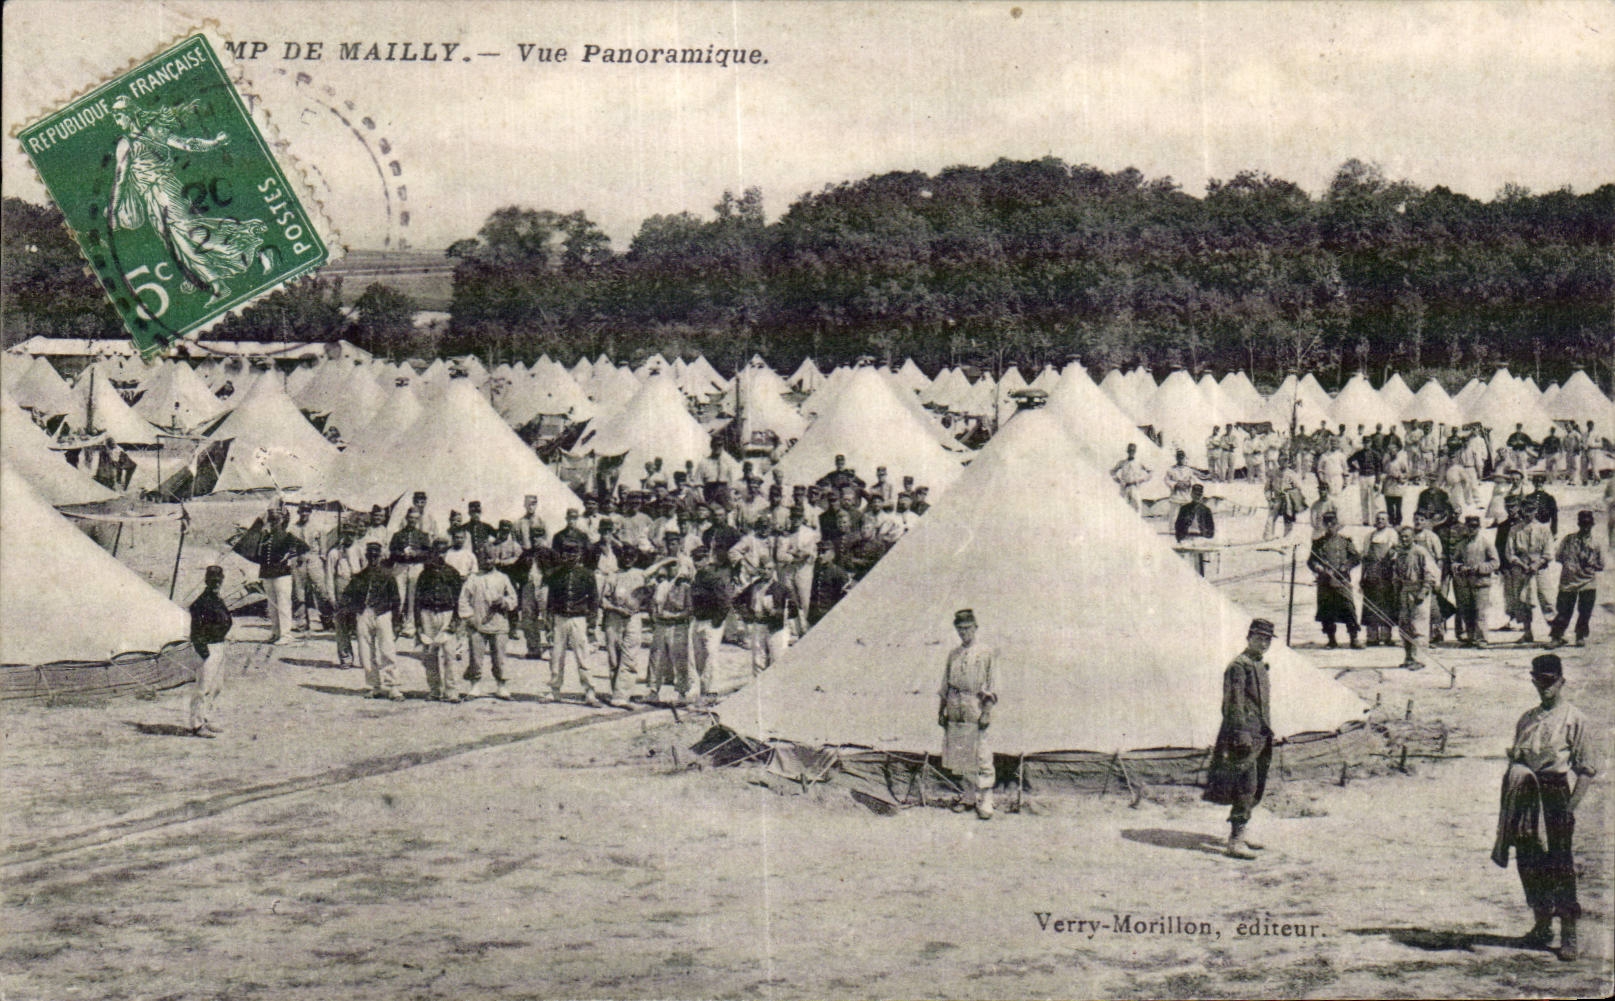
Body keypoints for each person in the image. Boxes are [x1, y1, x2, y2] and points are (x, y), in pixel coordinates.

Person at [1492, 654, 1597, 961]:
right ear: (1533, 681)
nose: (1545, 688)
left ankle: (1568, 932)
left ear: (1562, 682)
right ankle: (1541, 925)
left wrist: (1570, 808)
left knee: (1560, 863)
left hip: (1555, 795)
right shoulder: (1527, 718)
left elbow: (1586, 770)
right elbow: (1517, 758)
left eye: (1551, 681)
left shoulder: (1574, 719)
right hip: (1527, 795)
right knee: (1528, 859)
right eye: (1539, 681)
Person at [1203, 618, 1276, 859]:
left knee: (1255, 785)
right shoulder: (1238, 666)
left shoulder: (1259, 665)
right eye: (1259, 638)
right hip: (1242, 736)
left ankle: (1242, 833)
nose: (1263, 643)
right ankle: (1235, 840)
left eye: (1267, 639)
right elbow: (1232, 703)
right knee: (1245, 785)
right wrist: (1241, 733)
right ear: (1248, 637)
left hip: (1260, 735)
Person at [937, 609, 996, 820]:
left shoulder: (986, 653)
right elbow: (945, 684)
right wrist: (941, 710)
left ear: (975, 628)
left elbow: (991, 685)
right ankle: (969, 796)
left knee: (980, 753)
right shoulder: (953, 654)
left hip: (975, 705)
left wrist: (986, 712)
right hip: (955, 706)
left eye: (968, 628)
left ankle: (987, 799)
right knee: (961, 754)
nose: (964, 632)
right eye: (960, 629)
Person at [545, 539, 601, 705]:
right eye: (567, 553)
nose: (571, 556)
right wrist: (549, 624)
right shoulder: (555, 574)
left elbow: (594, 601)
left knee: (583, 656)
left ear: (580, 555)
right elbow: (550, 601)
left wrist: (591, 625)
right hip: (560, 619)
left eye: (574, 553)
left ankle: (590, 691)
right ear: (562, 555)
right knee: (556, 656)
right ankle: (554, 690)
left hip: (579, 619)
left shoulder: (587, 574)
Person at [343, 542, 402, 700]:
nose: (373, 558)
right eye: (371, 555)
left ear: (381, 556)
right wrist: (356, 610)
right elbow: (348, 595)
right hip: (364, 614)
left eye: (376, 555)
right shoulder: (359, 576)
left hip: (383, 614)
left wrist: (396, 622)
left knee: (387, 650)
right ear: (366, 557)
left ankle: (393, 686)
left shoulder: (388, 576)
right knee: (366, 651)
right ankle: (373, 686)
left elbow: (396, 600)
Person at [459, 545, 518, 700]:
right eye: (484, 558)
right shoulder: (473, 578)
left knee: (499, 658)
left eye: (490, 558)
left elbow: (513, 599)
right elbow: (463, 600)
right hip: (477, 624)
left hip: (499, 624)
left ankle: (501, 686)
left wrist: (504, 602)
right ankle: (475, 686)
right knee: (476, 657)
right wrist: (469, 617)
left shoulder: (503, 578)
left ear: (496, 559)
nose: (487, 561)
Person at [415, 538, 465, 703]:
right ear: (432, 552)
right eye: (437, 552)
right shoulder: (424, 573)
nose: (440, 555)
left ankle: (452, 691)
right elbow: (417, 599)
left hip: (447, 613)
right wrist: (419, 624)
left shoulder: (452, 572)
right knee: (430, 654)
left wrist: (455, 622)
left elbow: (459, 600)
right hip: (427, 614)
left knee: (450, 654)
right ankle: (435, 690)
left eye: (443, 552)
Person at [187, 565, 233, 737]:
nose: (217, 583)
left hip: (219, 645)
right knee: (203, 687)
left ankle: (207, 716)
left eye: (219, 579)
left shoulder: (216, 598)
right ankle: (197, 724)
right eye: (213, 580)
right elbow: (196, 632)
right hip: (208, 648)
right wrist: (204, 653)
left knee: (216, 686)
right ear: (207, 581)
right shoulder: (202, 602)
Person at [1547, 510, 1604, 648]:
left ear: (1592, 525)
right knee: (1563, 611)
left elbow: (1601, 565)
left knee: (1585, 612)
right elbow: (1558, 557)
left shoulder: (1596, 543)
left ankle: (1580, 636)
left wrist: (1591, 564)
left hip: (1588, 582)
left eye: (1588, 525)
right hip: (1568, 581)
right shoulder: (1568, 540)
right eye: (1583, 524)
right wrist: (1571, 565)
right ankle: (1557, 637)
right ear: (1578, 524)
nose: (1585, 527)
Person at [599, 549, 649, 706]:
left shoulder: (641, 575)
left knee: (630, 656)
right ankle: (616, 693)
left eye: (631, 557)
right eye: (625, 556)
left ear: (636, 558)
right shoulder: (613, 576)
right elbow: (603, 601)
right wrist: (617, 609)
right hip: (614, 619)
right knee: (614, 657)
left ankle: (623, 695)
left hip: (633, 619)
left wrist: (642, 606)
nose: (628, 559)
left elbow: (648, 596)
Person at [253, 507, 309, 645]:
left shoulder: (287, 536)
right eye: (271, 520)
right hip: (267, 574)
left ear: (283, 520)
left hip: (282, 574)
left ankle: (286, 634)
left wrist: (291, 557)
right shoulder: (265, 536)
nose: (273, 523)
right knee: (272, 605)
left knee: (283, 604)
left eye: (276, 520)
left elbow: (304, 547)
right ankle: (276, 633)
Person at [644, 555, 695, 704]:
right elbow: (646, 577)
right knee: (656, 658)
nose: (672, 569)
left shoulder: (685, 586)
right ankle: (653, 691)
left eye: (675, 566)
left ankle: (682, 693)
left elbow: (689, 609)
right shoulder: (661, 585)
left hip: (677, 626)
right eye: (669, 566)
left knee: (679, 658)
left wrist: (674, 615)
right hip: (660, 625)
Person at [1307, 512, 1362, 649]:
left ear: (1338, 525)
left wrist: (1345, 566)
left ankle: (1354, 639)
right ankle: (1332, 640)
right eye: (1327, 523)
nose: (1330, 526)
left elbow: (1356, 557)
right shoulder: (1318, 543)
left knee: (1348, 608)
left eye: (1333, 523)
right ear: (1324, 525)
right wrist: (1317, 567)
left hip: (1342, 581)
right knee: (1327, 610)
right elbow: (1311, 561)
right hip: (1325, 582)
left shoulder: (1345, 541)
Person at [1507, 498, 1557, 645]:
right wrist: (1521, 564)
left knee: (1547, 599)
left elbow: (1549, 552)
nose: (1529, 514)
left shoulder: (1544, 529)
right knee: (1523, 601)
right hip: (1521, 569)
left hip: (1540, 569)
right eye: (1526, 510)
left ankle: (1556, 634)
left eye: (1532, 510)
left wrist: (1538, 563)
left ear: (1536, 511)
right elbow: (1510, 553)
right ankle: (1527, 632)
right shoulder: (1515, 529)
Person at [1449, 511, 1500, 648]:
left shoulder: (1486, 543)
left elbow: (1495, 562)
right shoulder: (1461, 544)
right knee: (1467, 611)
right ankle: (1471, 638)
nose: (1472, 529)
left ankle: (1482, 639)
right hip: (1465, 583)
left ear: (1479, 527)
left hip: (1481, 583)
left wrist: (1479, 568)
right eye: (1469, 526)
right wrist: (1460, 568)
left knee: (1480, 612)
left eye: (1474, 527)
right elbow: (1454, 561)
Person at [1393, 525, 1440, 670]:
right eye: (1402, 537)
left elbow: (1429, 574)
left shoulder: (1421, 552)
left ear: (1413, 537)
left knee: (1418, 627)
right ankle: (1408, 658)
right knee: (1405, 626)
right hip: (1405, 593)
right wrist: (1397, 591)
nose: (1404, 539)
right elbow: (1396, 576)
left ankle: (1419, 659)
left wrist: (1424, 591)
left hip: (1419, 592)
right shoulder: (1400, 554)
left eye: (1407, 536)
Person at [388, 508, 431, 639]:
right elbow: (392, 551)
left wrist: (417, 553)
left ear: (418, 520)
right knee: (398, 596)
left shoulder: (423, 535)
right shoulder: (398, 535)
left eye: (415, 518)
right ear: (406, 518)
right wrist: (402, 553)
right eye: (410, 518)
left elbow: (428, 552)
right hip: (401, 566)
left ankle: (410, 627)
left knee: (413, 597)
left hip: (416, 566)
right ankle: (395, 626)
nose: (412, 520)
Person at [1359, 511, 1400, 647]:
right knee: (1370, 605)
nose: (1380, 521)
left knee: (1387, 604)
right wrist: (1362, 576)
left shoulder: (1391, 534)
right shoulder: (1369, 536)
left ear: (1387, 521)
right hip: (1371, 574)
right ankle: (1372, 636)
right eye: (1378, 519)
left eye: (1383, 519)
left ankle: (1386, 636)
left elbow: (1395, 553)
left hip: (1386, 574)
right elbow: (1365, 558)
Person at [325, 525, 363, 668]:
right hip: (341, 588)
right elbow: (329, 576)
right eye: (346, 533)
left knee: (360, 626)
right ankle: (345, 657)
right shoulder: (334, 553)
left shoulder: (359, 550)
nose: (349, 537)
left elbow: (365, 571)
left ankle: (364, 658)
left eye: (352, 534)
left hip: (356, 589)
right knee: (341, 626)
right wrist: (332, 597)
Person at [289, 503, 330, 632]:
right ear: (298, 512)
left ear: (310, 512)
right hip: (298, 560)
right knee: (298, 591)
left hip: (314, 558)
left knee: (320, 589)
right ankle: (301, 622)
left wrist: (322, 559)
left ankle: (327, 620)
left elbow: (323, 547)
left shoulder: (318, 527)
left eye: (307, 511)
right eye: (302, 511)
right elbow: (290, 547)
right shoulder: (293, 528)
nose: (304, 514)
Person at [807, 541, 851, 626]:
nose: (820, 555)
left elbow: (845, 597)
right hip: (816, 616)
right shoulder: (817, 570)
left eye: (824, 552)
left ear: (832, 554)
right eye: (818, 552)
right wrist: (810, 616)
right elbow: (814, 595)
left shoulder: (838, 572)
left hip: (831, 616)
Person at [1109, 443, 1151, 512]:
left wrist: (1143, 479)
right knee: (1123, 508)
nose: (1131, 452)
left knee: (1137, 507)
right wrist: (1118, 480)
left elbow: (1150, 472)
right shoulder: (1122, 462)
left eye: (1133, 450)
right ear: (1127, 451)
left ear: (1135, 452)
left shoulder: (1139, 462)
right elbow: (1112, 471)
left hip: (1135, 487)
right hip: (1124, 487)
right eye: (1130, 450)